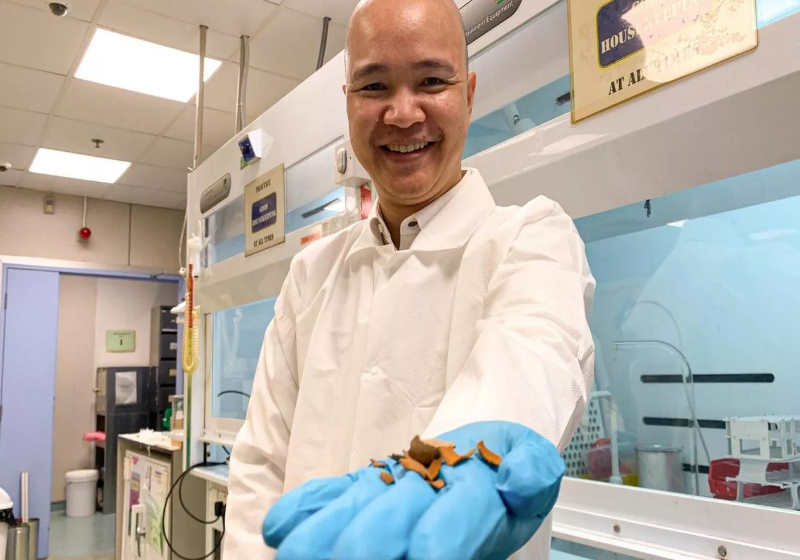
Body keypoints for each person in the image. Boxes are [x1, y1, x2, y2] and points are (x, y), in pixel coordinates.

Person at [224, 0, 595, 558]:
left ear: (468, 93)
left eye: (431, 80)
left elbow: (529, 366)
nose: (402, 113)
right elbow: (259, 471)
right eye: (374, 87)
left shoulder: (530, 240)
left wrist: (466, 458)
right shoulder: (310, 273)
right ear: (347, 103)